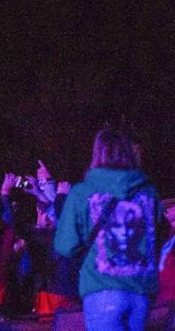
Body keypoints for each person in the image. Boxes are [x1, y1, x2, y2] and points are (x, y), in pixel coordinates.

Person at [54, 127, 159, 331]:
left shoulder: (82, 192)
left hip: (101, 288)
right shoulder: (149, 192)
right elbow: (156, 232)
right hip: (142, 290)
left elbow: (65, 246)